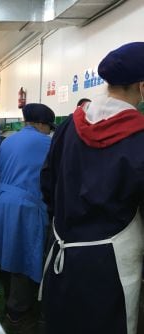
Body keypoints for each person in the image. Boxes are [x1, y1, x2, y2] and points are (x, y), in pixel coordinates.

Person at [40, 42, 144, 334]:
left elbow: (48, 182)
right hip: (112, 263)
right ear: (142, 86)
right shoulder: (139, 137)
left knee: (63, 322)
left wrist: (64, 220)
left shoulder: (67, 128)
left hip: (63, 247)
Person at [0, 103, 55, 331]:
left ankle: (6, 301)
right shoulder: (47, 143)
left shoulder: (9, 141)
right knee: (23, 258)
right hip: (24, 207)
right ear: (40, 124)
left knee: (5, 254)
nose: (49, 131)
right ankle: (17, 313)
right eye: (49, 126)